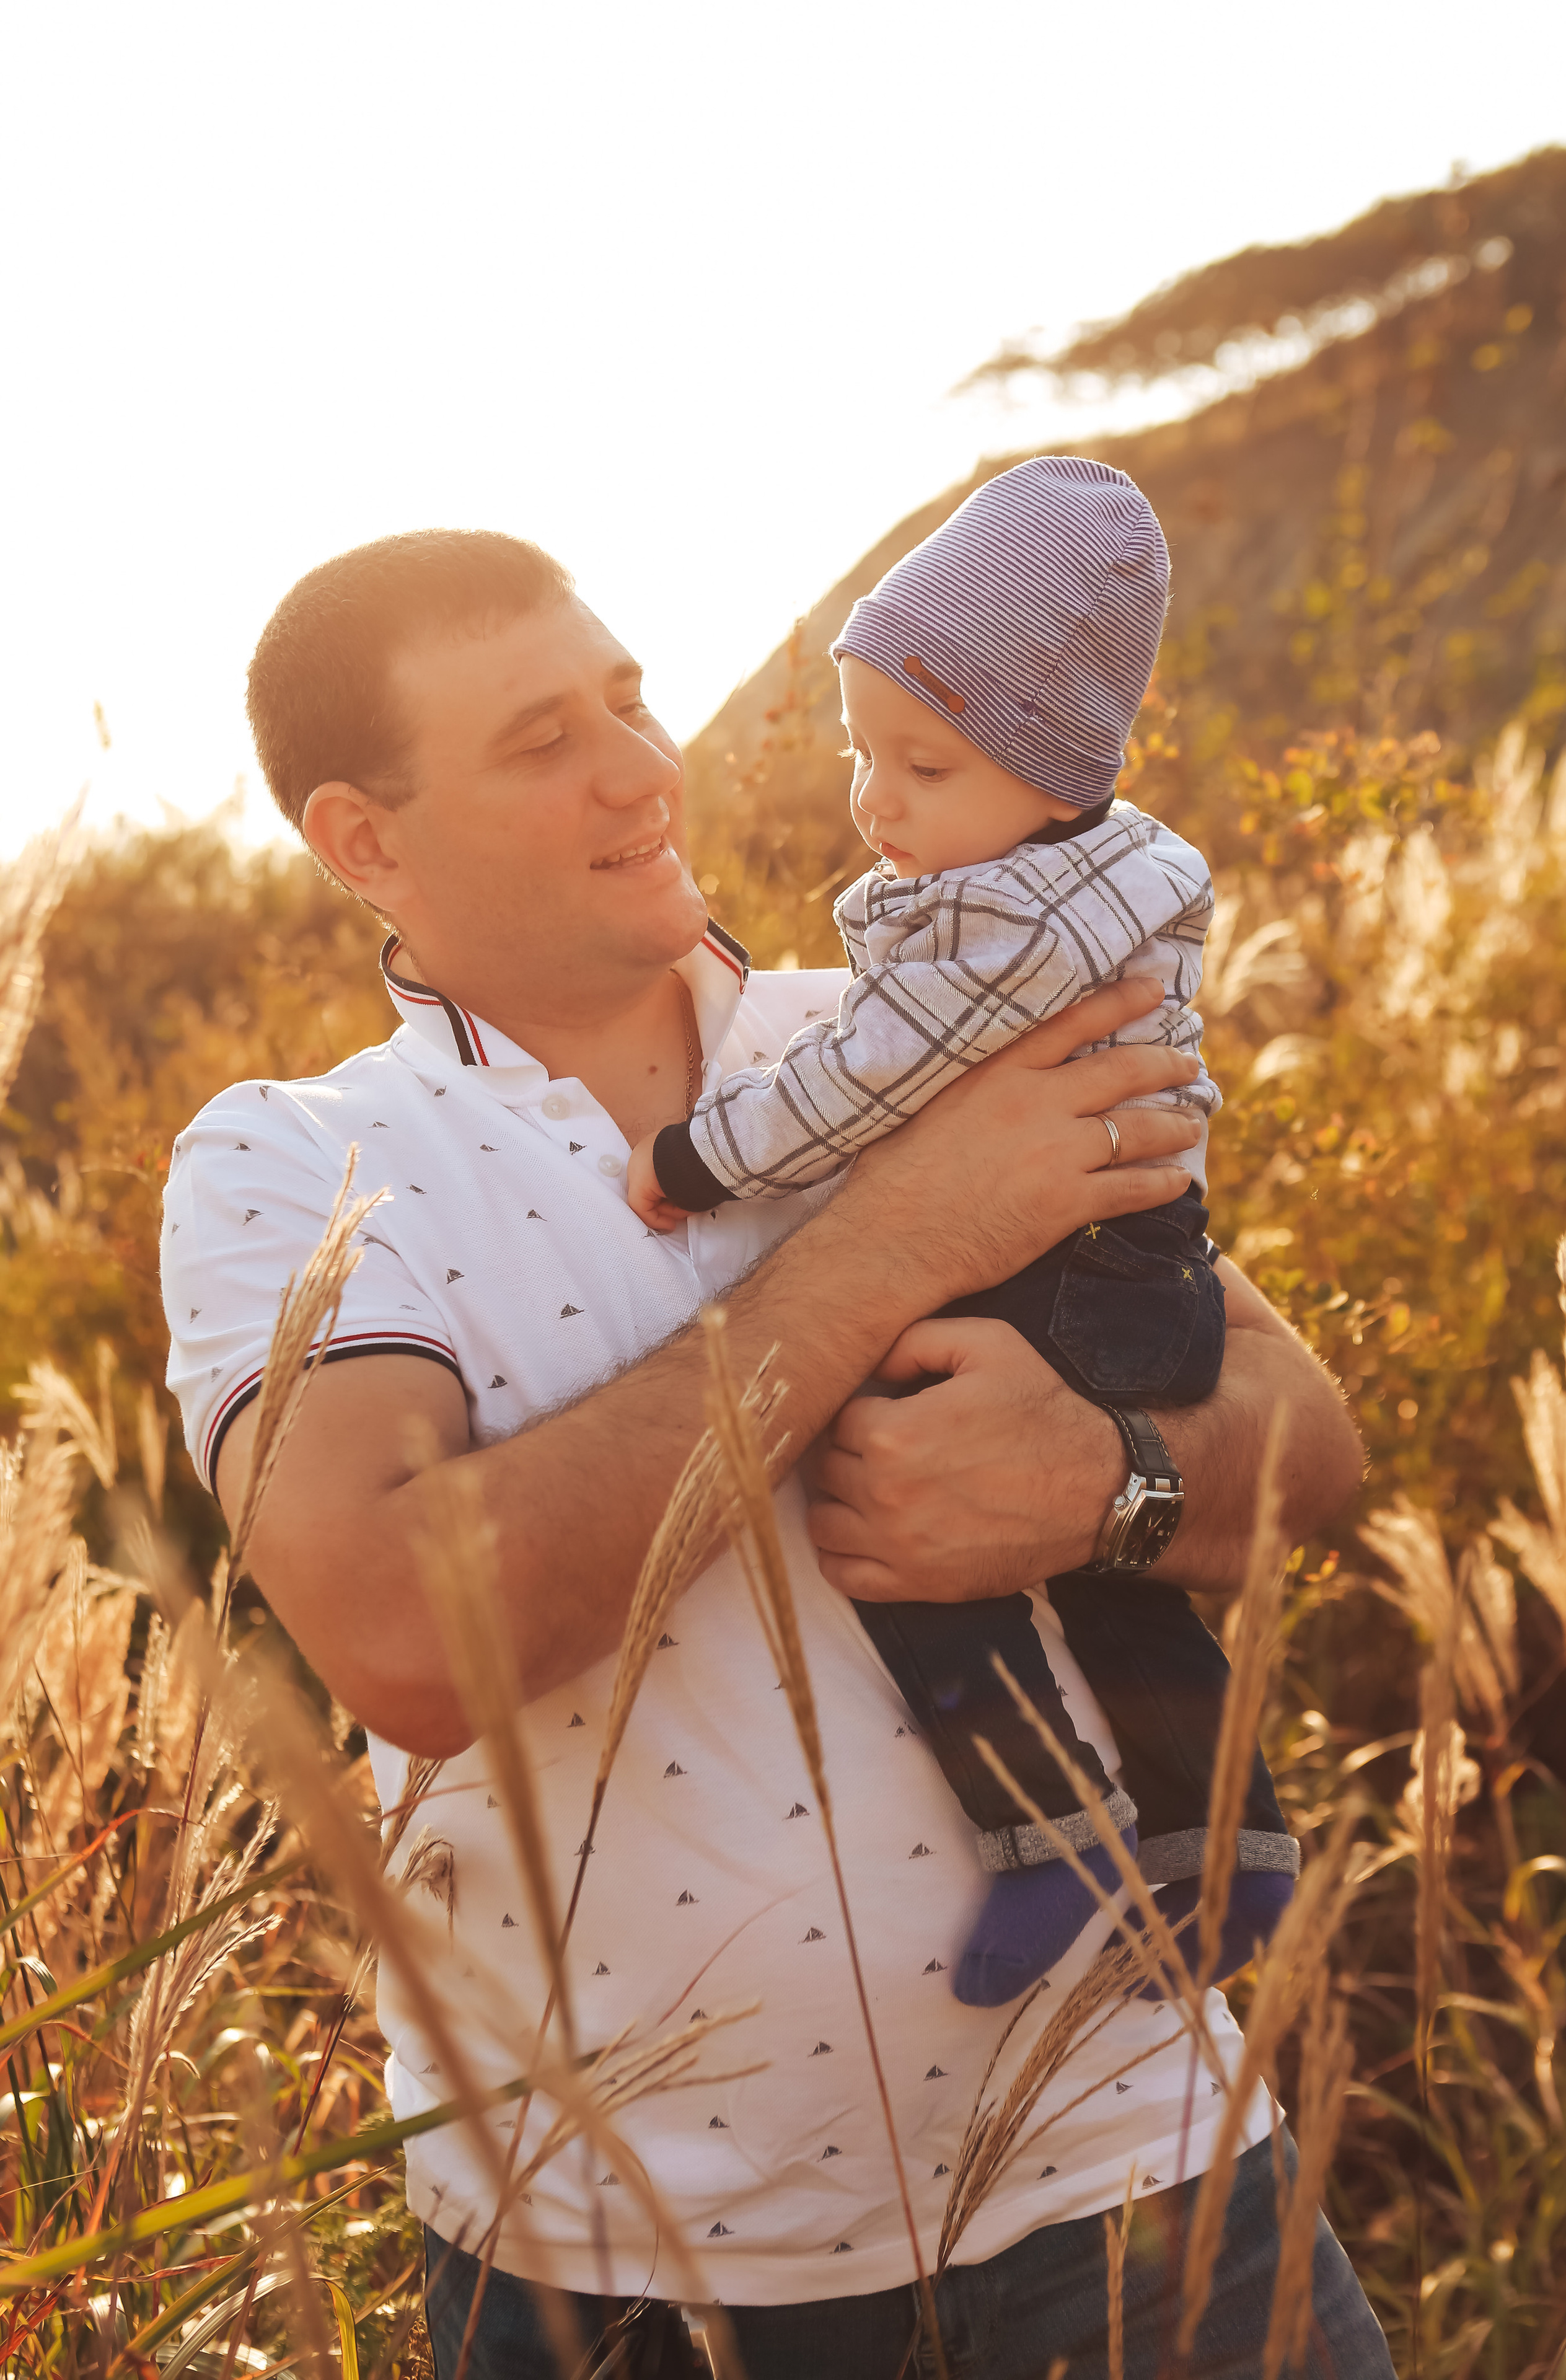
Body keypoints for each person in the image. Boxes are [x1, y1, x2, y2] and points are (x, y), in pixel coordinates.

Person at [161, 529, 1391, 2378]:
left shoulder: (917, 1023)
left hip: (1159, 2196)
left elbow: (1307, 1448)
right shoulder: (294, 1165)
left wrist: (1102, 1477)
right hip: (642, 2284)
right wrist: (900, 1238)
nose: (646, 771)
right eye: (539, 741)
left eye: (633, 700)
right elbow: (414, 1645)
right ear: (363, 841)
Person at [627, 458, 1295, 2012]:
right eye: (866, 754)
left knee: (904, 1521)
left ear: (1053, 774)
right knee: (1120, 1585)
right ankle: (1230, 1848)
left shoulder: (1020, 924)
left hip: (1075, 1279)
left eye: (920, 768)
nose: (873, 803)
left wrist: (698, 1159)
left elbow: (867, 1081)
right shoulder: (1081, 873)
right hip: (1133, 1262)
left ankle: (1049, 1833)